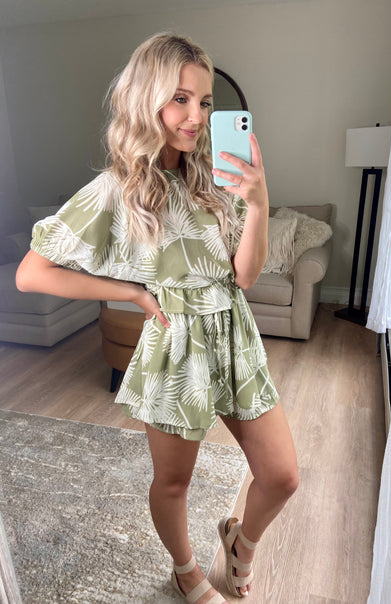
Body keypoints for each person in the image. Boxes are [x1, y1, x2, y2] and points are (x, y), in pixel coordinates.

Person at [16, 32, 298, 603]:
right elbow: (32, 272)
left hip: (234, 337)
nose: (196, 117)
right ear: (147, 101)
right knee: (173, 483)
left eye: (205, 102)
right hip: (177, 347)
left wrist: (259, 201)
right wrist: (134, 293)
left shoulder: (215, 177)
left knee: (282, 475)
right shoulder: (115, 189)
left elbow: (245, 276)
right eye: (180, 99)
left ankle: (239, 543)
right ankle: (185, 570)